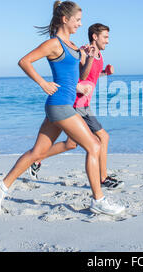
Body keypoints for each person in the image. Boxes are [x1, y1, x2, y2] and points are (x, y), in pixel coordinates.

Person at [0, 0, 125, 216]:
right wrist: (43, 83)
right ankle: (98, 200)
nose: (80, 24)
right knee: (94, 146)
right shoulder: (54, 44)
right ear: (65, 19)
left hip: (61, 105)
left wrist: (89, 58)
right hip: (60, 106)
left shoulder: (73, 46)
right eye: (78, 20)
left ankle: (2, 186)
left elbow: (78, 77)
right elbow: (24, 61)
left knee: (38, 152)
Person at [27, 23, 124, 189]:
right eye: (105, 37)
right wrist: (90, 58)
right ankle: (103, 177)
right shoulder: (85, 51)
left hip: (84, 104)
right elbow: (81, 74)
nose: (108, 41)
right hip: (76, 103)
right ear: (95, 36)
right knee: (103, 138)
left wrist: (105, 73)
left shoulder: (98, 55)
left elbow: (91, 77)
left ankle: (36, 158)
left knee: (70, 144)